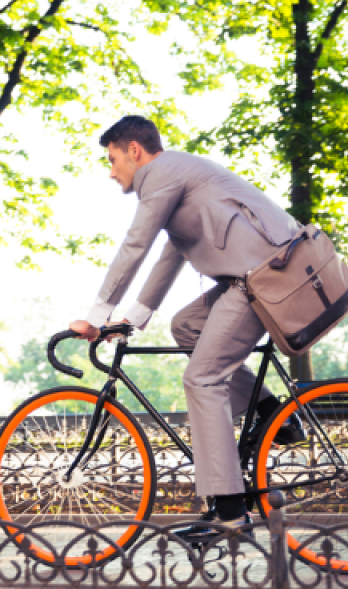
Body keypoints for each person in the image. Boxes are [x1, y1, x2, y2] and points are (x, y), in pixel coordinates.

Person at [68, 115, 305, 542]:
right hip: (256, 276)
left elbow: (136, 243)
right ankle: (274, 415)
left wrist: (98, 313)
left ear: (134, 152)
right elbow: (169, 255)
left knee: (201, 378)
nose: (110, 170)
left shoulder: (163, 172)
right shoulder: (178, 178)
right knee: (187, 326)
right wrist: (132, 318)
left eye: (113, 159)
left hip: (265, 277)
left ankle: (230, 510)